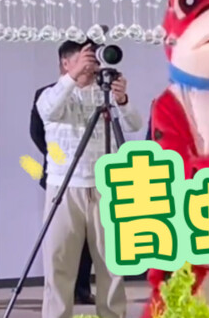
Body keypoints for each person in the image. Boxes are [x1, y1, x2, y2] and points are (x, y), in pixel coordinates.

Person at [37, 40, 142, 318]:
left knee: (111, 264)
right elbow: (48, 111)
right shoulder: (51, 94)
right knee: (59, 262)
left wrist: (122, 100)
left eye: (94, 58)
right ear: (65, 63)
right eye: (84, 58)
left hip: (106, 186)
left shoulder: (106, 94)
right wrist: (72, 78)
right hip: (64, 186)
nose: (91, 64)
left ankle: (112, 314)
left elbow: (134, 124)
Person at [30, 79, 95, 306]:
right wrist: (61, 158)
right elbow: (37, 134)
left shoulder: (100, 93)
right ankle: (62, 297)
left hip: (94, 178)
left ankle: (82, 289)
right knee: (61, 244)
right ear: (66, 63)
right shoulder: (47, 93)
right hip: (61, 178)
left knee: (90, 244)